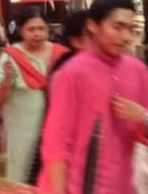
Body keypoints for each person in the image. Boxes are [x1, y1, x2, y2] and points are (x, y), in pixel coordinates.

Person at [39, 0, 148, 194]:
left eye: (130, 29)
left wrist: (143, 117)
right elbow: (56, 145)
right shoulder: (71, 73)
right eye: (117, 27)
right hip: (77, 187)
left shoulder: (137, 70)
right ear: (93, 26)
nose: (126, 37)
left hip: (122, 186)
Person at [0, 7, 68, 182]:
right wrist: (7, 79)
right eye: (31, 29)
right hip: (19, 133)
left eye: (41, 29)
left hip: (55, 130)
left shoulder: (62, 55)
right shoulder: (10, 57)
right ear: (20, 31)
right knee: (19, 176)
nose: (37, 34)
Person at [28, 11, 90, 185]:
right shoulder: (65, 72)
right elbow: (60, 132)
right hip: (67, 161)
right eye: (89, 34)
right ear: (75, 40)